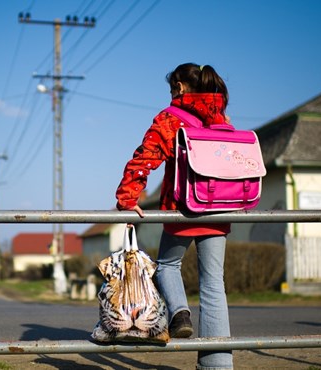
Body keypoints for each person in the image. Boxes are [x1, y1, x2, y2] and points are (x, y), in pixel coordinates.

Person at [115, 63, 233, 369]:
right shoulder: (223, 120)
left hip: (183, 208)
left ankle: (180, 313)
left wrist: (128, 198)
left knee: (167, 265)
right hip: (219, 209)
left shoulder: (171, 119)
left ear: (180, 87)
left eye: (172, 89)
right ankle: (217, 365)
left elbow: (145, 158)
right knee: (213, 285)